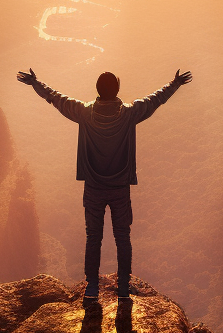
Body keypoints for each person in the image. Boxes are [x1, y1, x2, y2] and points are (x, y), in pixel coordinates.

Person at [16, 67, 193, 302]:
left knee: (93, 237)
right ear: (117, 90)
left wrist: (36, 83)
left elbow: (57, 99)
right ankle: (122, 288)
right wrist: (175, 83)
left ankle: (91, 288)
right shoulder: (129, 113)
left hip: (93, 187)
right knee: (123, 236)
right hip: (120, 188)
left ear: (97, 91)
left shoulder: (84, 112)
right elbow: (155, 100)